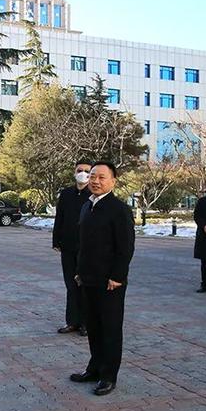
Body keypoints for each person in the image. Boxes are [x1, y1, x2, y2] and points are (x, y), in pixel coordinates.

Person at [70, 161, 135, 396]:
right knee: (94, 327)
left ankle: (109, 376)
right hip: (88, 278)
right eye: (93, 176)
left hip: (110, 282)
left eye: (101, 177)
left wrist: (118, 276)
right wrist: (79, 271)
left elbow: (125, 247)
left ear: (113, 181)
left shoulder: (119, 209)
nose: (95, 181)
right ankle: (94, 369)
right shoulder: (87, 206)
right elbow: (83, 244)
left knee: (110, 328)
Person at [53, 161, 92, 336]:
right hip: (68, 247)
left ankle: (86, 323)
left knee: (84, 285)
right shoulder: (67, 194)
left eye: (86, 171)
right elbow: (59, 217)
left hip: (87, 249)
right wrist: (56, 240)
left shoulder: (93, 194)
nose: (82, 173)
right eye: (79, 170)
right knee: (70, 285)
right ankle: (72, 321)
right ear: (74, 172)